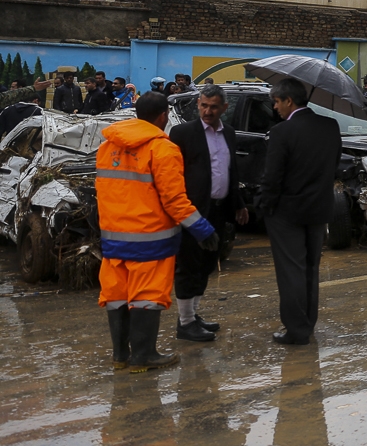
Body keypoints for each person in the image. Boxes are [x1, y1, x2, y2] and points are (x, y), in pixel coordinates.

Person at [96, 91, 219, 371]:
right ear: (163, 116)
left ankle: (121, 357)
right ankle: (144, 355)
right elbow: (175, 200)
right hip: (150, 240)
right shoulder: (163, 149)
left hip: (113, 238)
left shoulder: (108, 147)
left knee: (117, 295)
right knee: (147, 298)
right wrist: (203, 229)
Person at [258, 77, 342, 345]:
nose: (275, 108)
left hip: (287, 211)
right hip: (319, 208)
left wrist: (265, 205)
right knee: (310, 269)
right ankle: (307, 322)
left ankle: (296, 330)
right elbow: (335, 164)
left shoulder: (282, 132)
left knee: (291, 271)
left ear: (289, 101)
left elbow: (272, 177)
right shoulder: (330, 126)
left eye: (277, 102)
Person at [168, 84, 249, 343]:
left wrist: (238, 203)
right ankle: (185, 322)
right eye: (204, 105)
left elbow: (231, 171)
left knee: (206, 265)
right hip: (192, 212)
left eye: (214, 107)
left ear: (224, 108)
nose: (207, 111)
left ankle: (193, 315)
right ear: (198, 105)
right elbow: (172, 174)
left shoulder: (229, 134)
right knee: (188, 265)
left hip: (219, 210)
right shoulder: (183, 133)